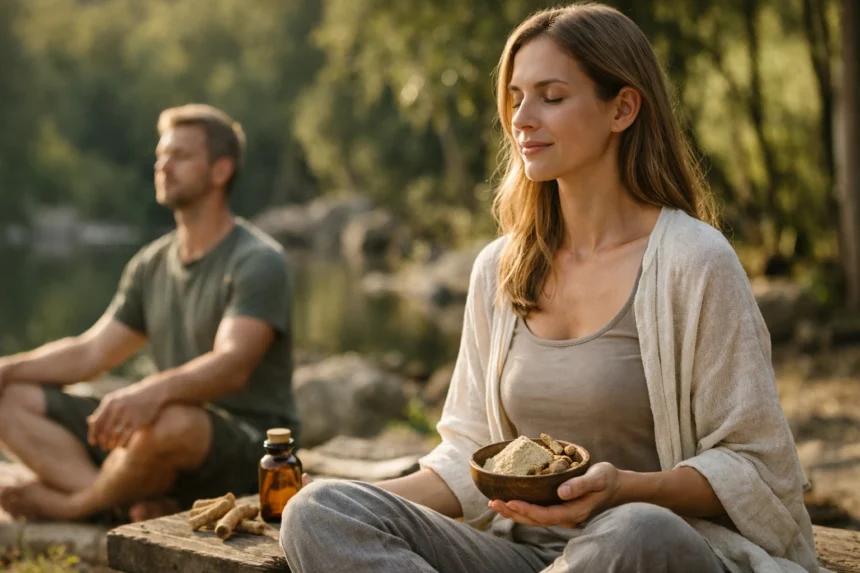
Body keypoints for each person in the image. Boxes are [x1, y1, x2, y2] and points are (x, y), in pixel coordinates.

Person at [279, 4, 819, 573]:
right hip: (522, 556)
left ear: (623, 108)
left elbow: (756, 466)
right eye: (515, 99)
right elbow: (470, 451)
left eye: (551, 97)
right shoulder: (499, 269)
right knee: (319, 510)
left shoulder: (695, 262)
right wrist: (363, 500)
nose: (522, 119)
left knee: (632, 529)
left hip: (660, 550)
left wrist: (625, 489)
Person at [0, 104, 299, 523]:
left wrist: (149, 392)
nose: (163, 165)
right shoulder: (151, 263)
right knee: (10, 399)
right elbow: (90, 354)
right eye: (161, 155)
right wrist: (7, 370)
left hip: (247, 443)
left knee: (170, 420)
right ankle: (117, 502)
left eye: (181, 156)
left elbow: (233, 365)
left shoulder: (258, 260)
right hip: (158, 435)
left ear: (221, 170)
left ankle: (74, 506)